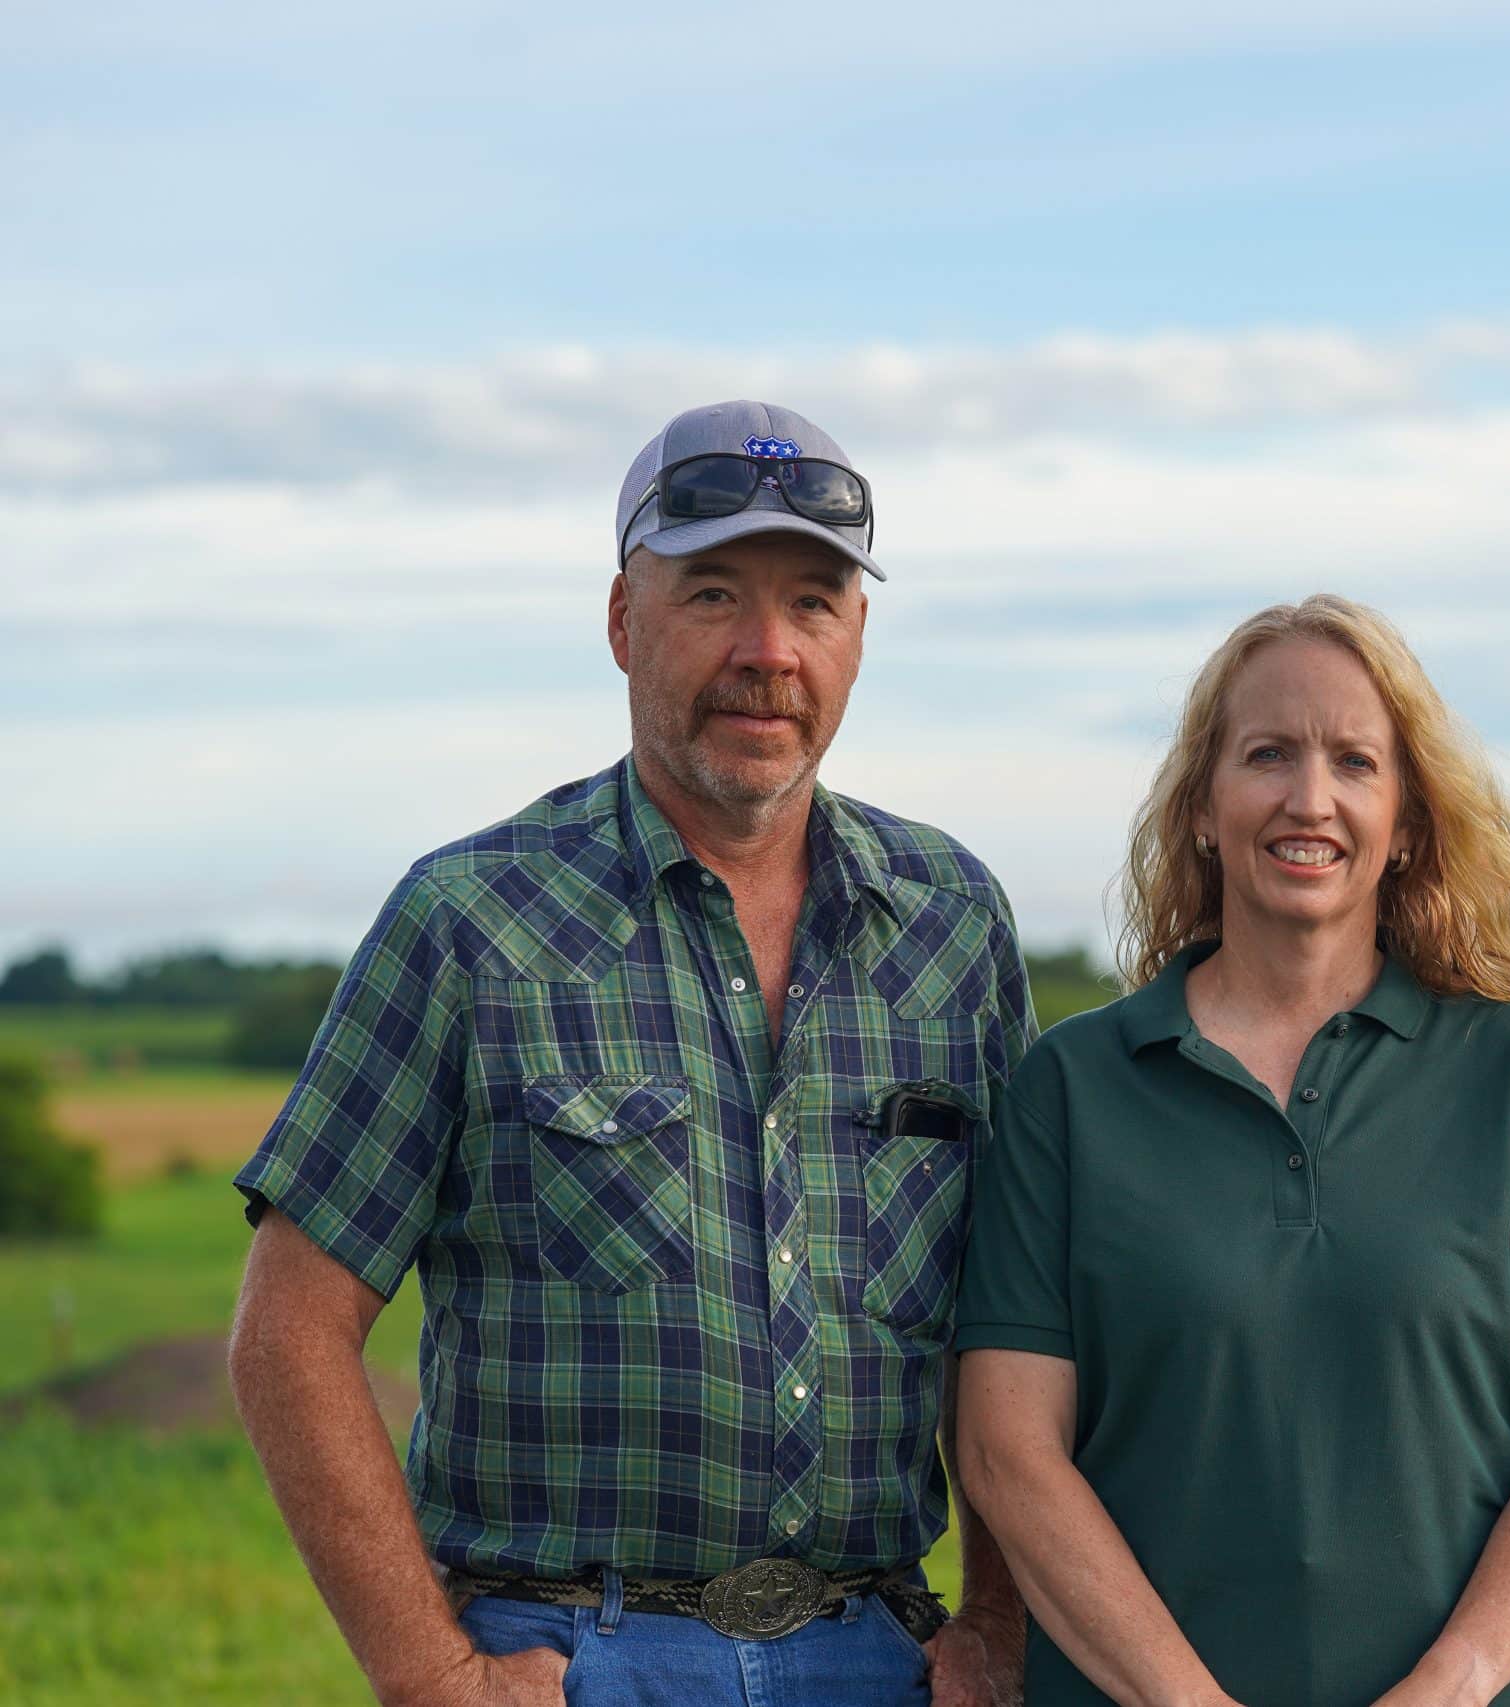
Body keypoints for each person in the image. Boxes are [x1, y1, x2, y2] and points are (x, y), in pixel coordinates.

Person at [228, 400, 1036, 1707]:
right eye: (713, 593)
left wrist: (996, 1622)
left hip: (880, 1650)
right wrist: (429, 1667)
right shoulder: (470, 922)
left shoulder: (952, 926)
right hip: (572, 1654)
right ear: (622, 622)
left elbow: (1021, 1325)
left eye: (815, 603)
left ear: (859, 635)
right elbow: (291, 1327)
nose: (768, 651)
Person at [951, 596, 1510, 1706]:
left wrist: (1451, 1685)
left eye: (1354, 762)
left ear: (1408, 819)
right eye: (1266, 754)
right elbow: (1006, 1452)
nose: (1308, 799)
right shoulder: (1072, 1089)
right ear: (1199, 807)